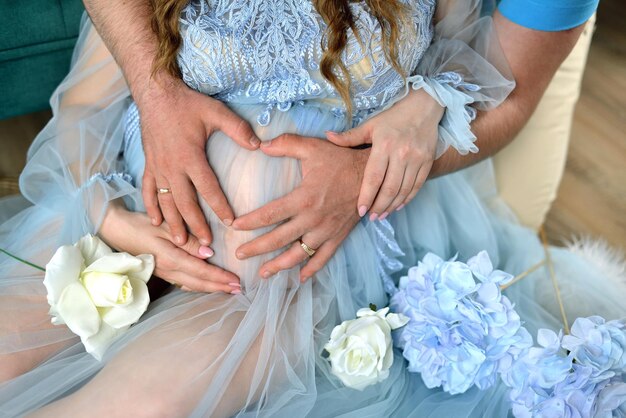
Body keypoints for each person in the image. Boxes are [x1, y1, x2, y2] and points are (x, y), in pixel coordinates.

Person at [0, 1, 623, 417]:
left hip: (292, 286)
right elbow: (84, 108)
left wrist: (419, 121)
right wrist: (110, 217)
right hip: (123, 232)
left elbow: (478, 76)